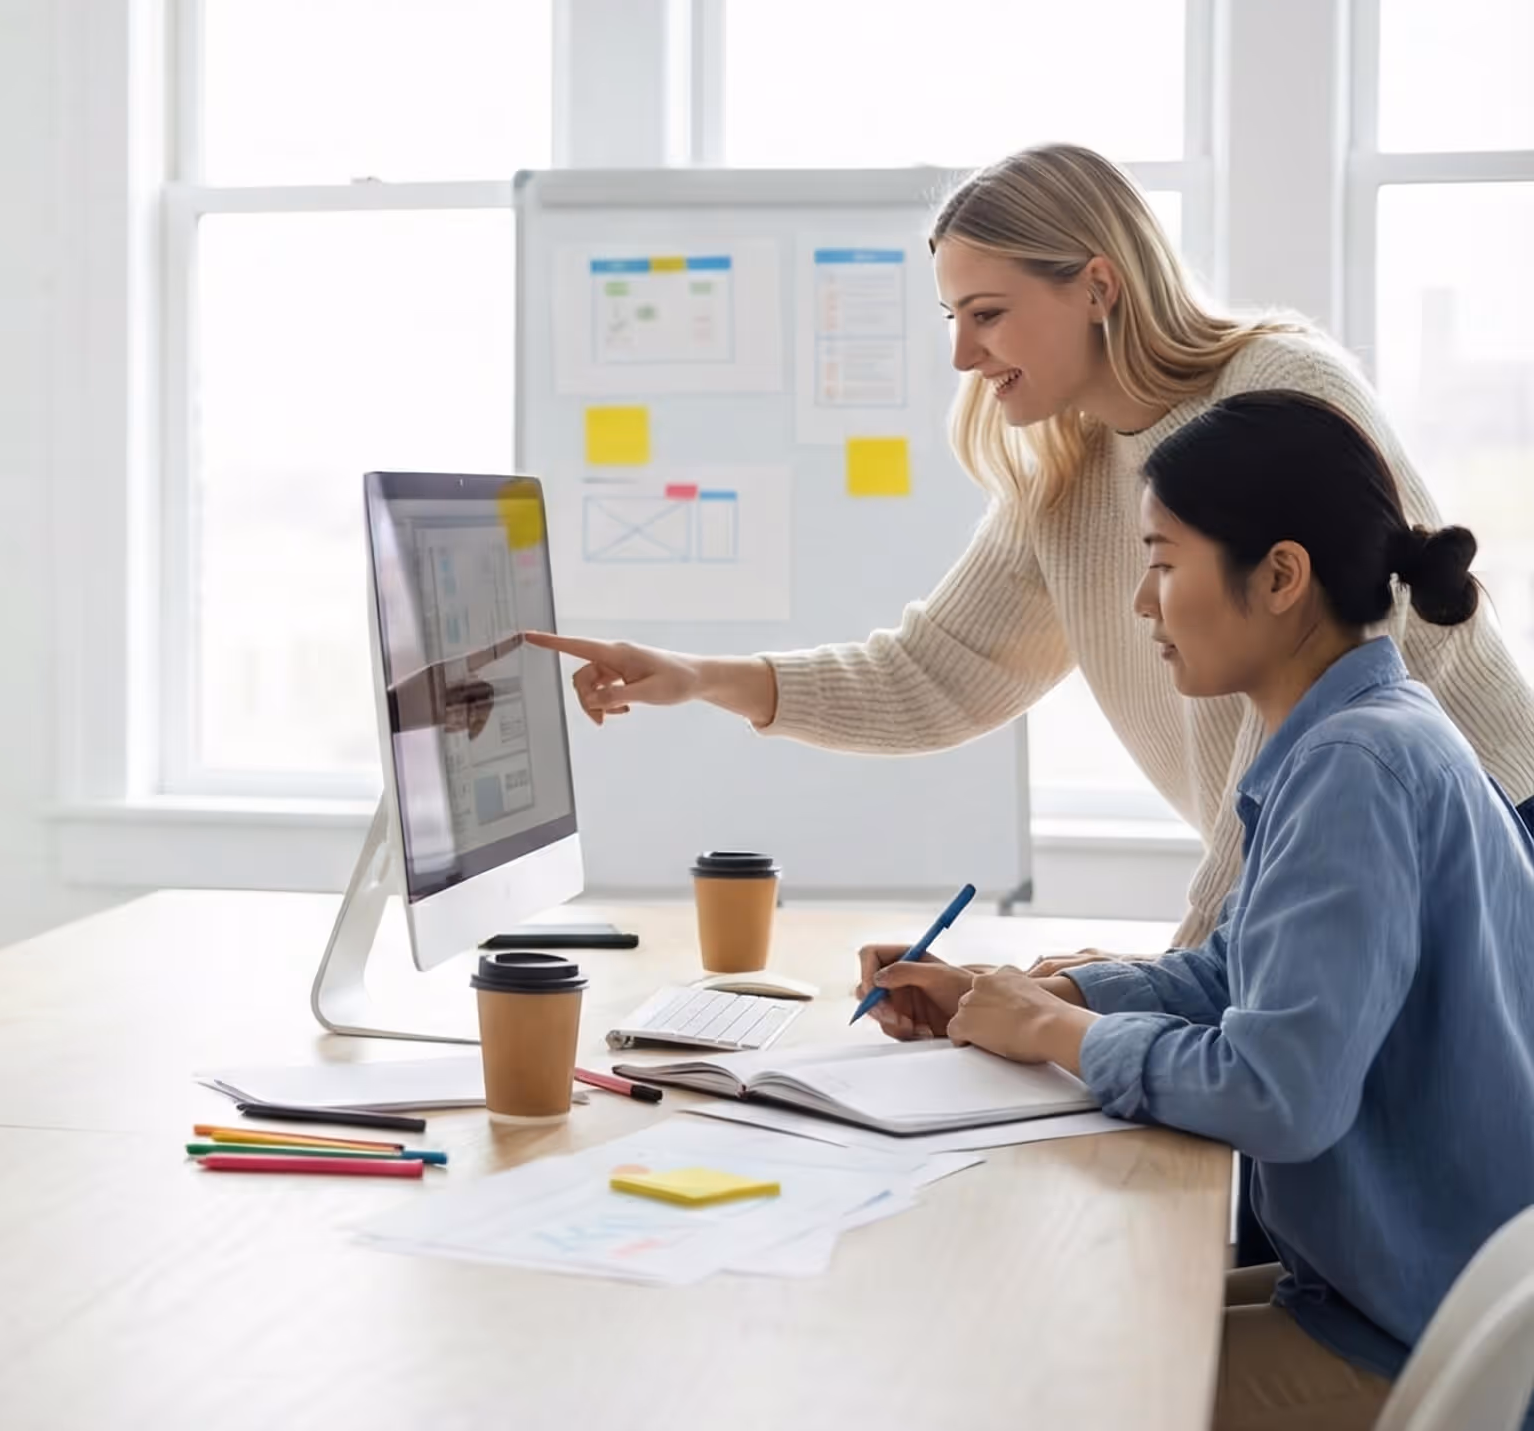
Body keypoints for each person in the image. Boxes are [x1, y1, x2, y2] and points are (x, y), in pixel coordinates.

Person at [524, 144, 1534, 954]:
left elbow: (1313, 722)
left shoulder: (1277, 395)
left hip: (1483, 843)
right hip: (1317, 876)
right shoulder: (1067, 460)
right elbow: (937, 674)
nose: (962, 353)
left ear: (1097, 283)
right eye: (952, 317)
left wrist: (1174, 969)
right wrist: (701, 675)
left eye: (988, 313)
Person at [859, 392, 1534, 1431]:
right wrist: (1045, 991)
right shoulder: (1344, 729)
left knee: (1024, 1386)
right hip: (1387, 1299)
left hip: (1397, 1337)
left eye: (1164, 562)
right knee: (1053, 1322)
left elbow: (1278, 1092)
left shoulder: (1357, 763)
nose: (1141, 603)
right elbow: (1237, 973)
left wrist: (1055, 1030)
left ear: (1279, 576)